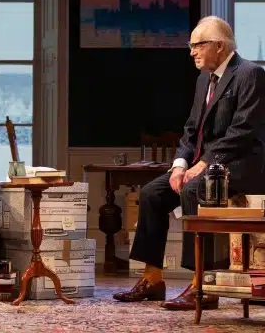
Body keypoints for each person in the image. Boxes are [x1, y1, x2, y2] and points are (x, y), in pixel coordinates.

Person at [113, 16, 265, 310]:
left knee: (195, 190)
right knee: (152, 194)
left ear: (219, 46)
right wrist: (181, 164)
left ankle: (202, 285)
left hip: (241, 164)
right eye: (191, 45)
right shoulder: (203, 79)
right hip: (206, 167)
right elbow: (191, 129)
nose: (192, 51)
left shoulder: (250, 74)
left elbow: (243, 131)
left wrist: (204, 164)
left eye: (198, 45)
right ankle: (152, 279)